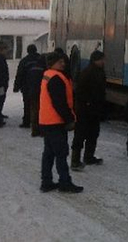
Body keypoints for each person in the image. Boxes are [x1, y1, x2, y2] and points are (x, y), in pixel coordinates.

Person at [38, 52, 83, 193]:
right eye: (60, 62)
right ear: (52, 63)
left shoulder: (48, 74)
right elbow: (60, 103)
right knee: (61, 153)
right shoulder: (56, 78)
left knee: (49, 153)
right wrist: (69, 119)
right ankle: (64, 182)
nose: (63, 64)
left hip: (47, 120)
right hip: (55, 122)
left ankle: (46, 181)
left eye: (63, 61)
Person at [71, 50, 107, 170]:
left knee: (93, 134)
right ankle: (75, 160)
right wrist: (87, 103)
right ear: (95, 60)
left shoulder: (99, 72)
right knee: (80, 135)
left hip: (94, 110)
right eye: (101, 59)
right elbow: (79, 91)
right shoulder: (87, 73)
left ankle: (89, 157)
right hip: (84, 110)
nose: (103, 62)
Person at [13, 44, 42, 128]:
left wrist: (16, 86)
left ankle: (27, 121)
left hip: (27, 87)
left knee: (27, 104)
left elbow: (20, 74)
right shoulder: (41, 60)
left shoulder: (24, 61)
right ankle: (39, 122)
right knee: (39, 104)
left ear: (28, 51)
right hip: (40, 86)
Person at [27, 55, 47, 137]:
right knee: (42, 111)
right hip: (42, 93)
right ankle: (42, 131)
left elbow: (28, 80)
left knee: (34, 111)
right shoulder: (45, 70)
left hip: (32, 92)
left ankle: (34, 130)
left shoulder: (31, 69)